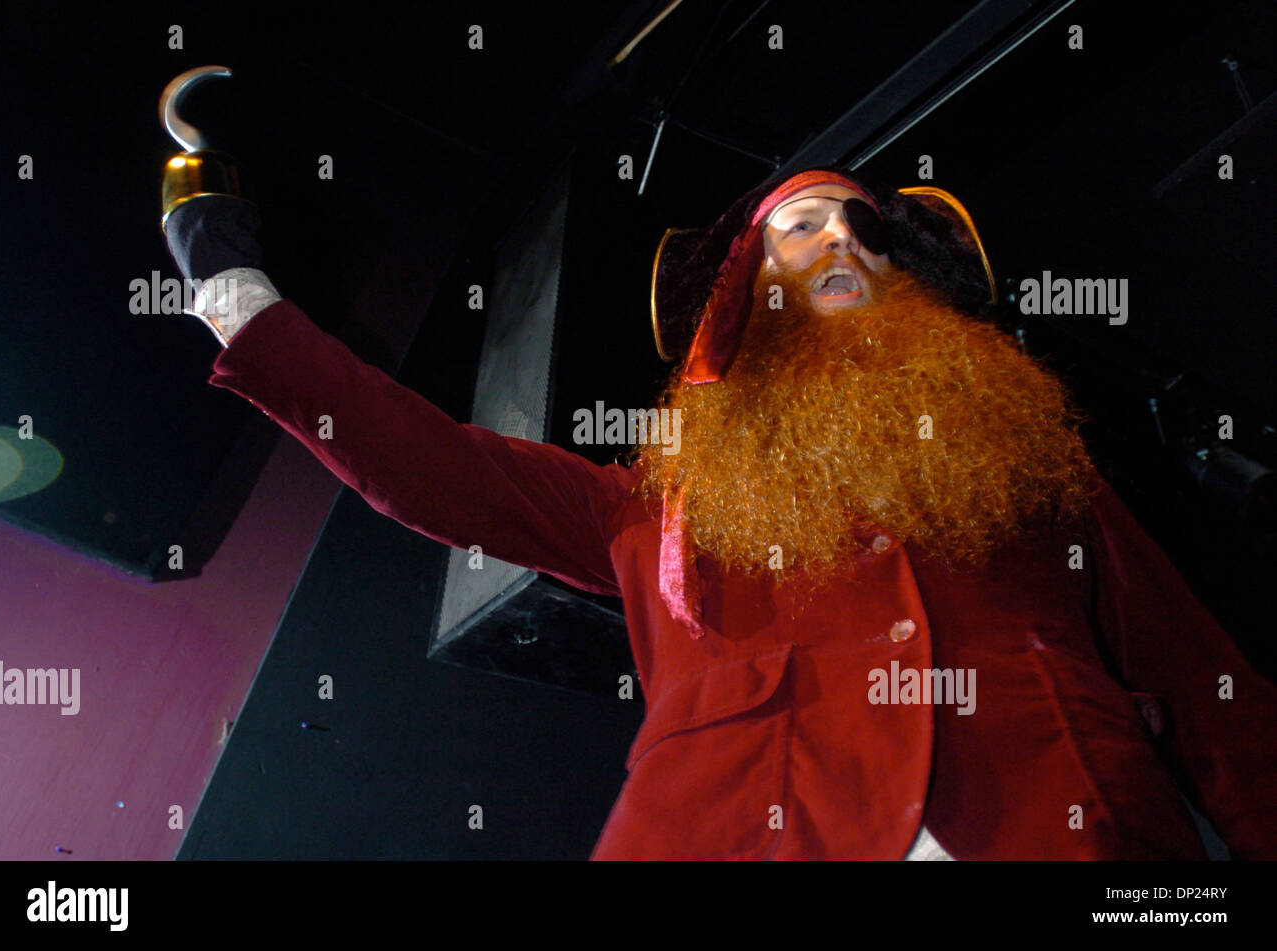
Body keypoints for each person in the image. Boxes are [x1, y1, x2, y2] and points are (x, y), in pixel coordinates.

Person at [162, 164, 1277, 860]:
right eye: (800, 228)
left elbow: (1210, 697)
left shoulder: (1039, 471)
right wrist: (231, 294)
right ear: (745, 295)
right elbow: (431, 466)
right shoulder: (648, 513)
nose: (840, 238)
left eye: (861, 227)